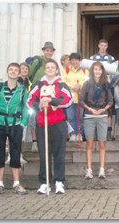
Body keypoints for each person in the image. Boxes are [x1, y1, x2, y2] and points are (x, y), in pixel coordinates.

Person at [27, 59, 72, 194]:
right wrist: (39, 105)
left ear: (56, 70)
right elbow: (30, 100)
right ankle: (44, 182)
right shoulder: (39, 85)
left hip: (58, 124)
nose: (50, 69)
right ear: (45, 69)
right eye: (48, 67)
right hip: (42, 123)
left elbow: (68, 100)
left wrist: (52, 101)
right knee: (44, 154)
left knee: (59, 154)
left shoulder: (62, 84)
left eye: (53, 67)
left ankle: (59, 182)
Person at [0, 62, 29, 196]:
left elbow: (26, 108)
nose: (13, 72)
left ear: (19, 73)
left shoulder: (22, 90)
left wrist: (23, 123)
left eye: (15, 70)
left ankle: (16, 183)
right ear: (7, 72)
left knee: (16, 152)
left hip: (16, 124)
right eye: (10, 69)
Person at [79, 61, 113, 179]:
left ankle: (102, 169)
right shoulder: (87, 84)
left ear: (102, 71)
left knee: (102, 143)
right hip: (89, 116)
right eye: (95, 69)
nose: (97, 71)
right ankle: (89, 170)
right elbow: (81, 100)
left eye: (99, 69)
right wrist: (90, 109)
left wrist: (104, 109)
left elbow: (110, 101)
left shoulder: (106, 84)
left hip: (102, 116)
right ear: (92, 70)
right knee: (89, 143)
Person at [27, 41, 60, 152]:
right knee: (33, 117)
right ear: (43, 51)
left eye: (51, 50)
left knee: (50, 117)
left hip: (50, 94)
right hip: (37, 94)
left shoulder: (55, 64)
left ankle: (48, 141)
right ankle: (35, 142)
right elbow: (28, 74)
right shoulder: (38, 61)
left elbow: (58, 79)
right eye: (47, 50)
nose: (49, 52)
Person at [90, 38, 115, 141]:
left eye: (105, 46)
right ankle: (96, 132)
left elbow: (113, 72)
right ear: (98, 46)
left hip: (106, 85)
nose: (103, 47)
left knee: (108, 109)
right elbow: (90, 70)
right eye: (102, 45)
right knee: (95, 106)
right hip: (95, 85)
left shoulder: (111, 58)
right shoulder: (93, 57)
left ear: (107, 46)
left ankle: (108, 132)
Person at [63, 53, 89, 142]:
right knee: (70, 116)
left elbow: (86, 80)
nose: (74, 62)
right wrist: (72, 86)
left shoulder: (85, 70)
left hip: (80, 97)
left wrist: (80, 85)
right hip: (70, 97)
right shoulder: (66, 70)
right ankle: (73, 133)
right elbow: (64, 82)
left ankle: (79, 133)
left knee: (80, 117)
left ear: (80, 61)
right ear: (70, 61)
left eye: (76, 60)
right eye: (72, 60)